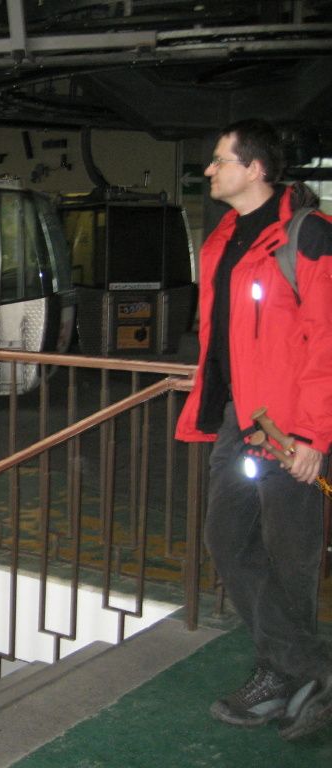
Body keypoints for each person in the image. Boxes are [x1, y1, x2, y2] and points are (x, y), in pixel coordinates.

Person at [176, 118, 332, 740]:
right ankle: (307, 669)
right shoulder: (222, 238)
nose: (209, 170)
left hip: (290, 428)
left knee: (291, 554)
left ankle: (283, 676)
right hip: (243, 421)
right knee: (227, 537)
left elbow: (327, 338)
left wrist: (315, 436)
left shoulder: (308, 235)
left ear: (256, 168)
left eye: (220, 160)